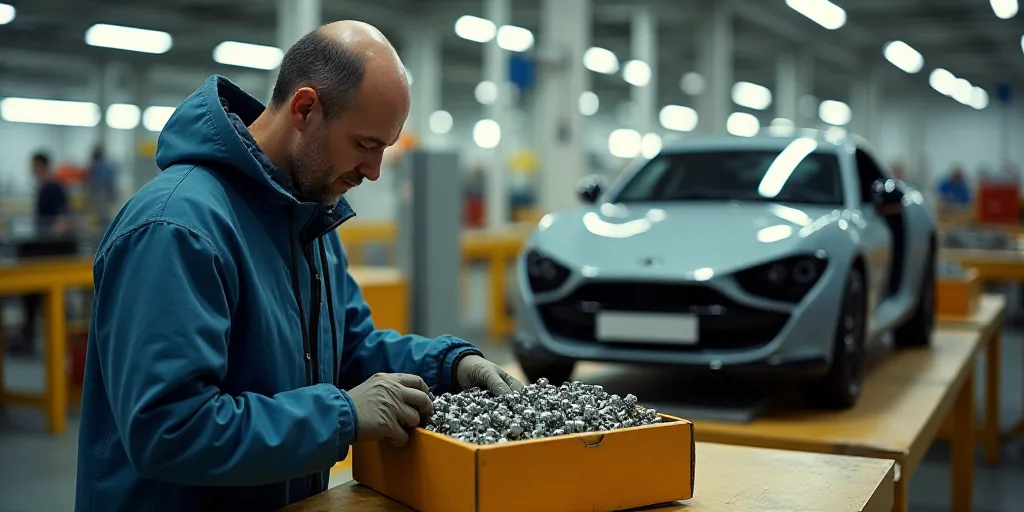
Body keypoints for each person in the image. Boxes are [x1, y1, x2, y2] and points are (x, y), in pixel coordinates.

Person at [74, 21, 524, 512]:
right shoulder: (177, 228)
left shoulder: (308, 219)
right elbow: (171, 429)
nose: (374, 172)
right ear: (305, 109)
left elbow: (351, 350)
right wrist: (342, 415)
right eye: (365, 145)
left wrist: (449, 366)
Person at [9, 152, 73, 356]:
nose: (32, 169)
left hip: (53, 250)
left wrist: (52, 234)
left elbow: (62, 219)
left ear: (41, 165)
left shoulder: (54, 187)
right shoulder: (43, 188)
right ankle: (29, 335)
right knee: (32, 297)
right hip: (44, 247)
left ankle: (40, 337)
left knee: (39, 297)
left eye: (34, 165)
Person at [86, 145, 117, 223]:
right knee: (102, 214)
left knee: (101, 214)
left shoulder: (96, 166)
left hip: (100, 194)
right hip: (102, 194)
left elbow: (91, 182)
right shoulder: (106, 166)